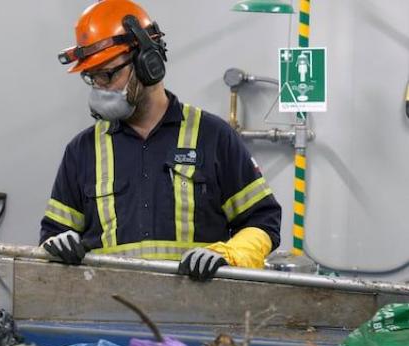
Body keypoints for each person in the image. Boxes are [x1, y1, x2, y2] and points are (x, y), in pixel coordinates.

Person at [40, 0, 281, 281]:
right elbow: (53, 234)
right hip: (109, 316)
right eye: (92, 79)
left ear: (148, 62)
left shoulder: (213, 137)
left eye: (107, 74)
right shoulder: (82, 151)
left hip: (199, 316)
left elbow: (263, 220)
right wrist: (55, 244)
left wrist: (228, 253)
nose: (100, 89)